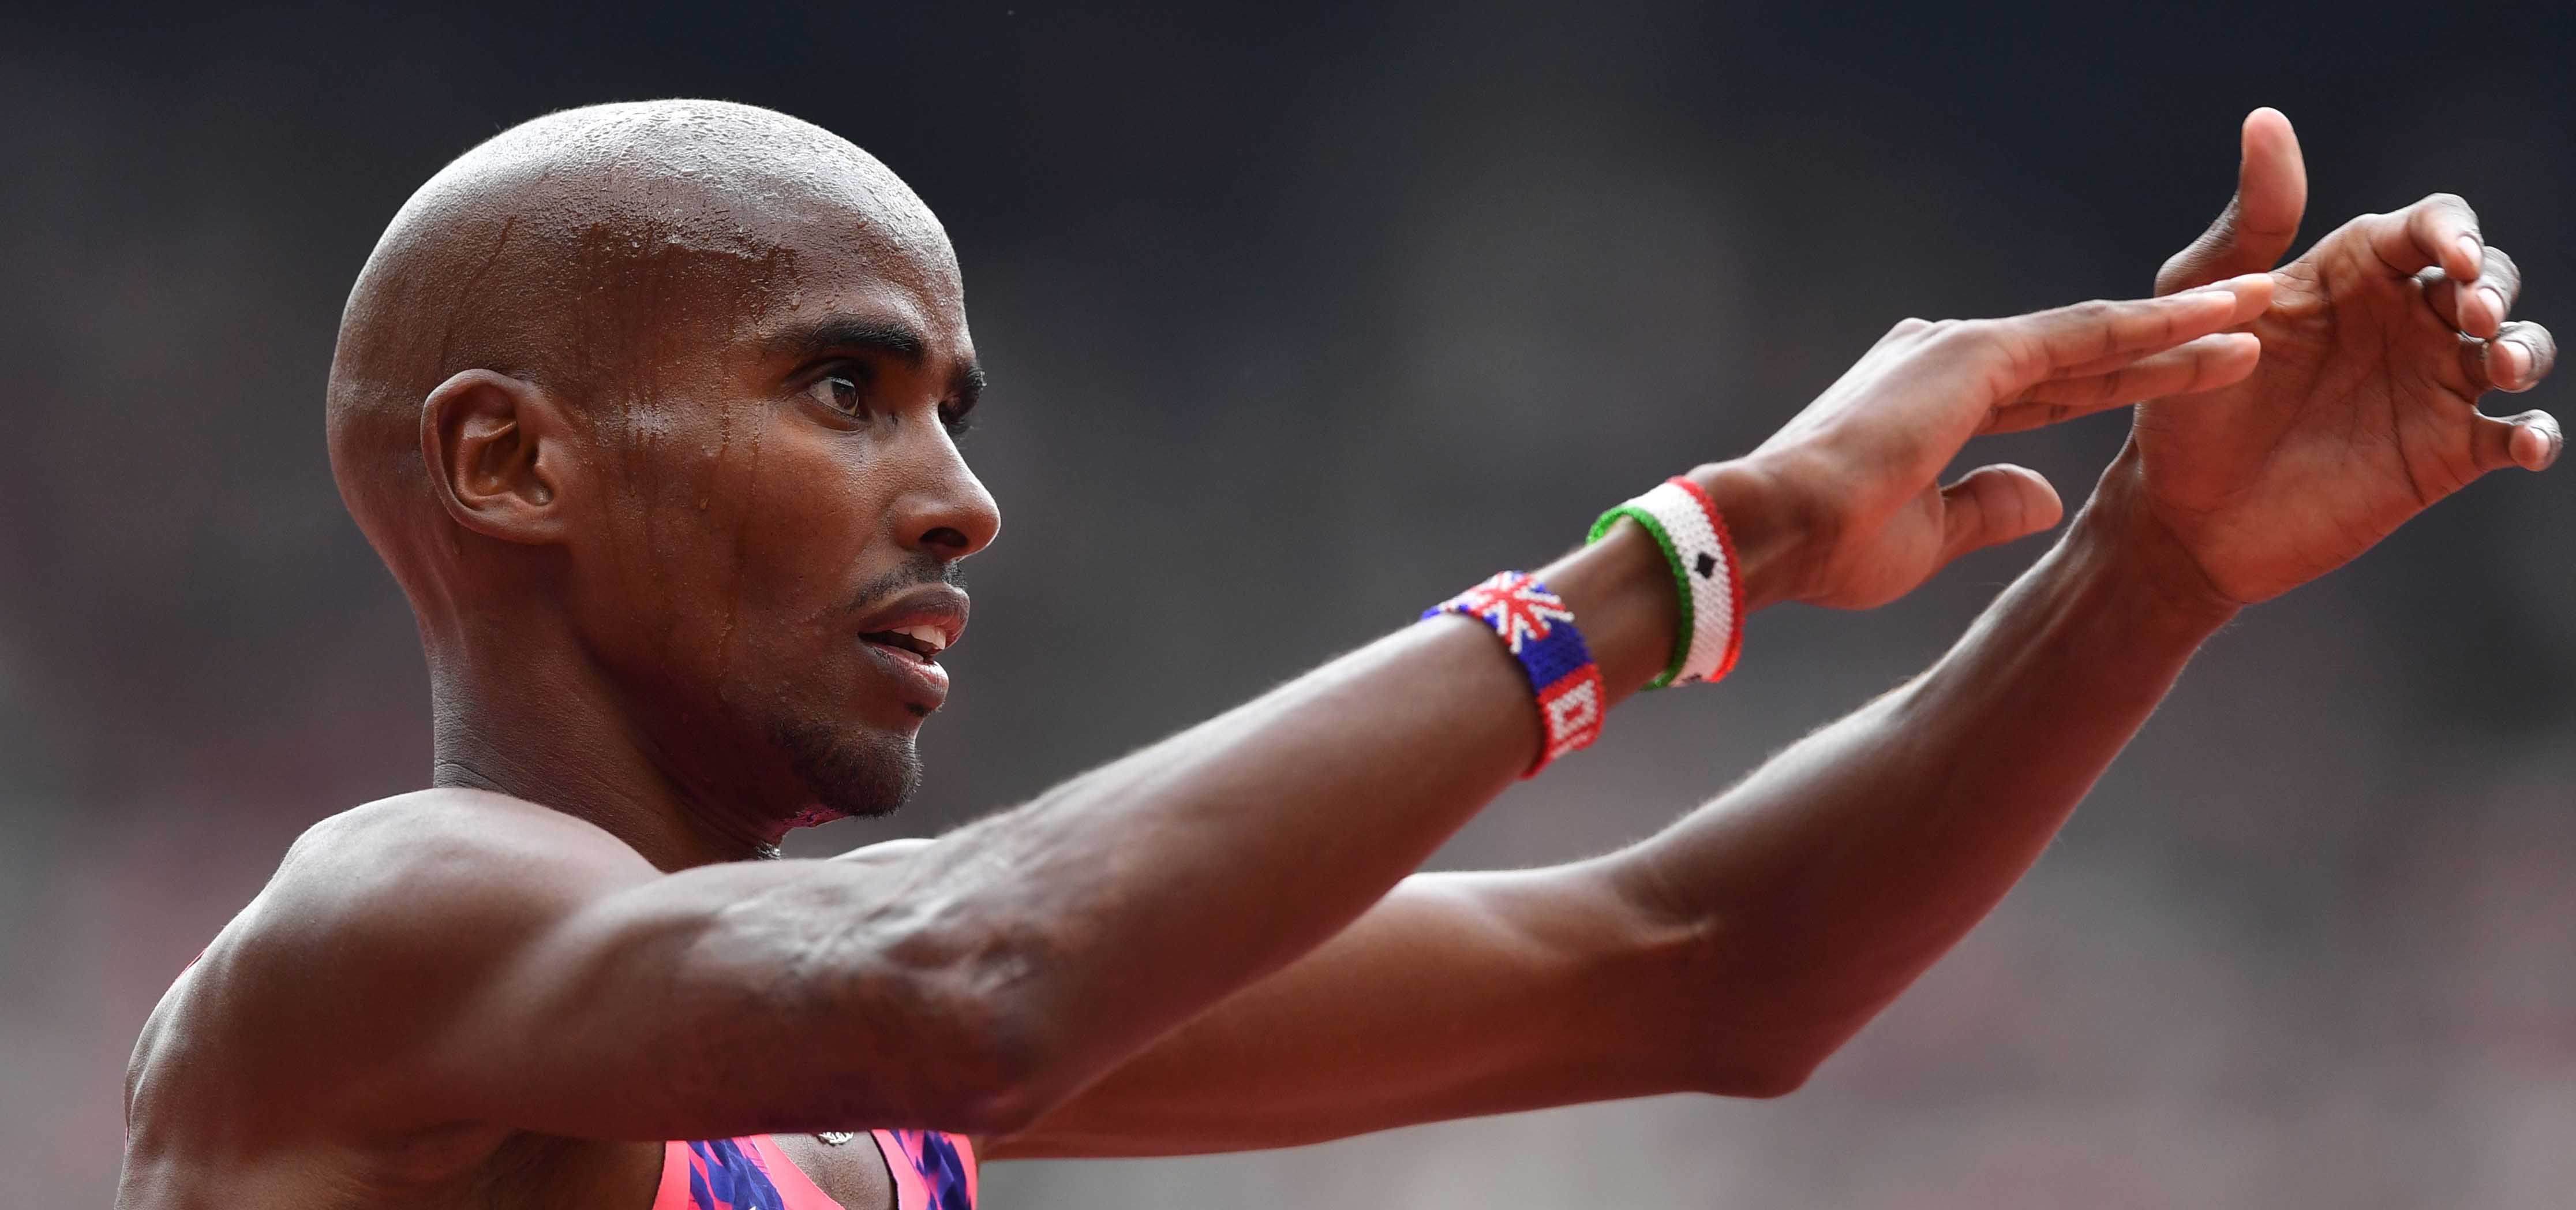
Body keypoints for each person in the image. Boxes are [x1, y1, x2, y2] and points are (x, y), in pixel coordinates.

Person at [115, 100, 2555, 1210]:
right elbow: (978, 973)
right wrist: (1688, 552)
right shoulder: (366, 940)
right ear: (508, 464)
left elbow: (1705, 959)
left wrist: (2157, 570)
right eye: (842, 389)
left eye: (959, 408)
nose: (961, 491)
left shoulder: (821, 1053)